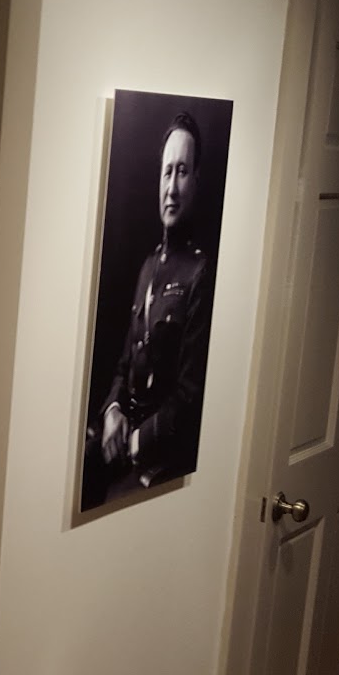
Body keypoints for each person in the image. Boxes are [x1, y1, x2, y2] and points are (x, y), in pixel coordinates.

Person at [95, 111, 214, 499]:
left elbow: (189, 396)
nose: (172, 188)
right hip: (125, 443)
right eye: (167, 172)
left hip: (161, 461)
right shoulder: (147, 267)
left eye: (182, 171)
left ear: (196, 180)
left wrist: (134, 442)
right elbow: (125, 364)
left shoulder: (200, 273)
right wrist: (113, 410)